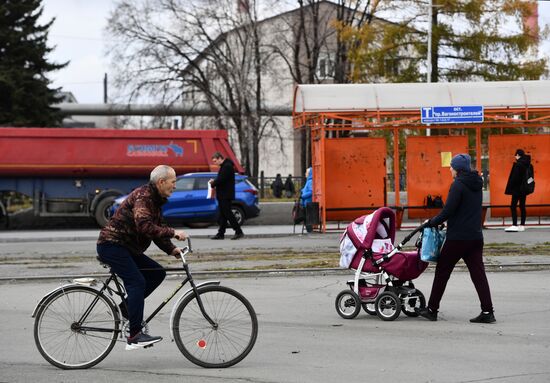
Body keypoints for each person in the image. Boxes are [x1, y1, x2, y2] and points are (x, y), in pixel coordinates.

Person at [97, 165, 188, 350]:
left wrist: (171, 249)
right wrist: (174, 233)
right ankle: (135, 335)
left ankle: (126, 308)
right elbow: (144, 226)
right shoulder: (144, 197)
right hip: (112, 245)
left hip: (126, 247)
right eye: (173, 182)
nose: (175, 186)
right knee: (137, 282)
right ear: (161, 182)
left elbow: (156, 231)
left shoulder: (156, 200)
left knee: (157, 273)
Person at [417, 154, 495, 324]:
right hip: (475, 237)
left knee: (442, 272)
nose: (450, 169)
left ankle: (431, 310)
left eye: (452, 166)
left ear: (458, 169)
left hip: (458, 239)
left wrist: (430, 222)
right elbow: (465, 210)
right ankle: (488, 311)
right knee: (478, 275)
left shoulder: (458, 185)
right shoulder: (477, 184)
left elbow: (448, 211)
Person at [209, 152, 244, 240]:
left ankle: (238, 231)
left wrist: (213, 183)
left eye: (215, 161)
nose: (215, 163)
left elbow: (222, 179)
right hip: (223, 194)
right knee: (223, 215)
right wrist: (215, 181)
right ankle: (221, 233)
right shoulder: (225, 166)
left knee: (228, 213)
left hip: (225, 194)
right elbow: (222, 178)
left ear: (220, 158)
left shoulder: (227, 166)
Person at [504, 149, 532, 232]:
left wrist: (510, 187)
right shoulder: (529, 165)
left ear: (518, 155)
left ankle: (514, 224)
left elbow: (514, 178)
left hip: (516, 189)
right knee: (522, 206)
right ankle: (522, 225)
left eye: (515, 155)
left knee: (513, 206)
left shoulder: (518, 165)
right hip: (524, 189)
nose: (515, 157)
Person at [300, 167, 313, 233]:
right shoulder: (309, 181)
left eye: (307, 172)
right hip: (306, 202)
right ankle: (309, 230)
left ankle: (309, 231)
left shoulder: (310, 181)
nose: (305, 174)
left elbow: (311, 192)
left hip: (308, 202)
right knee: (306, 218)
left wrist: (303, 196)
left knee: (307, 218)